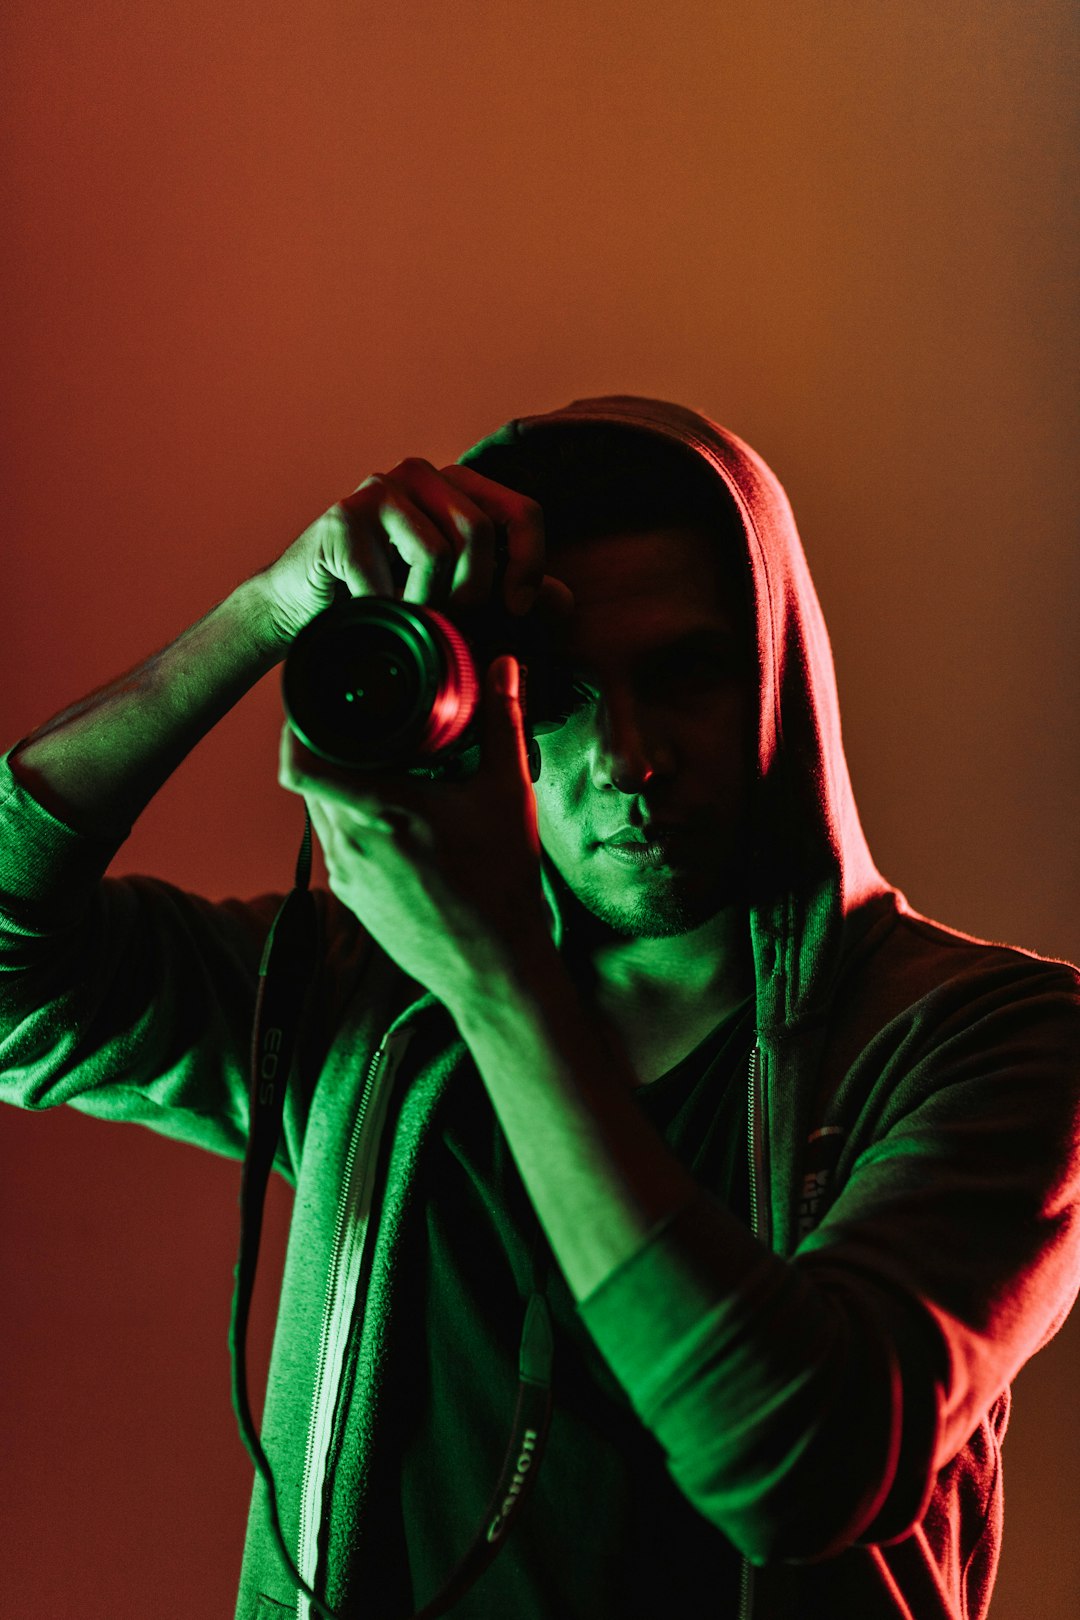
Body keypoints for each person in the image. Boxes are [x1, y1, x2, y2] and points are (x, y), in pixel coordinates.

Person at [1, 393, 1078, 1620]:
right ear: (472, 702)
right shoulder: (373, 1006)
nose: (628, 755)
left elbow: (799, 1462)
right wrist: (272, 610)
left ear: (782, 673)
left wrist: (495, 977)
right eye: (557, 694)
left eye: (687, 674)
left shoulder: (991, 1039)